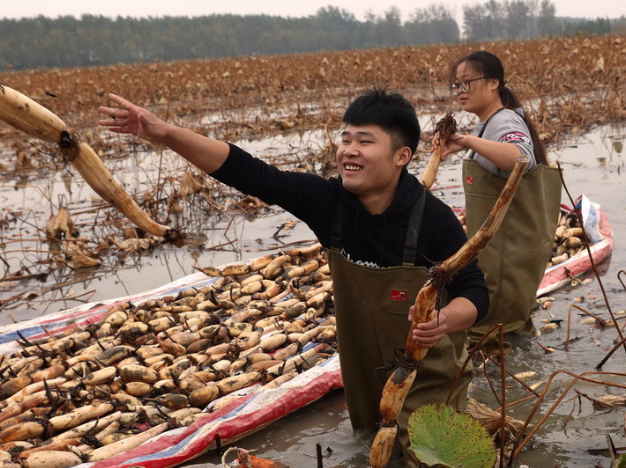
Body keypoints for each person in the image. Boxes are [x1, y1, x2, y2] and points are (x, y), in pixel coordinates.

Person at [99, 89, 489, 465]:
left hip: (429, 382)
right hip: (366, 382)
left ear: (402, 155)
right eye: (346, 139)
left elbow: (475, 292)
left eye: (365, 141)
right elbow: (251, 173)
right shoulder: (329, 203)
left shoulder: (433, 219)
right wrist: (165, 133)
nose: (349, 150)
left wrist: (442, 321)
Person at [433, 51, 561, 349]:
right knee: (507, 334)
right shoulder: (490, 122)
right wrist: (462, 144)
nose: (460, 91)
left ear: (494, 83)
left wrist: (466, 140)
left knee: (494, 336)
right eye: (457, 85)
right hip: (500, 254)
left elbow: (521, 158)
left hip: (506, 257)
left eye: (467, 82)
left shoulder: (504, 120)